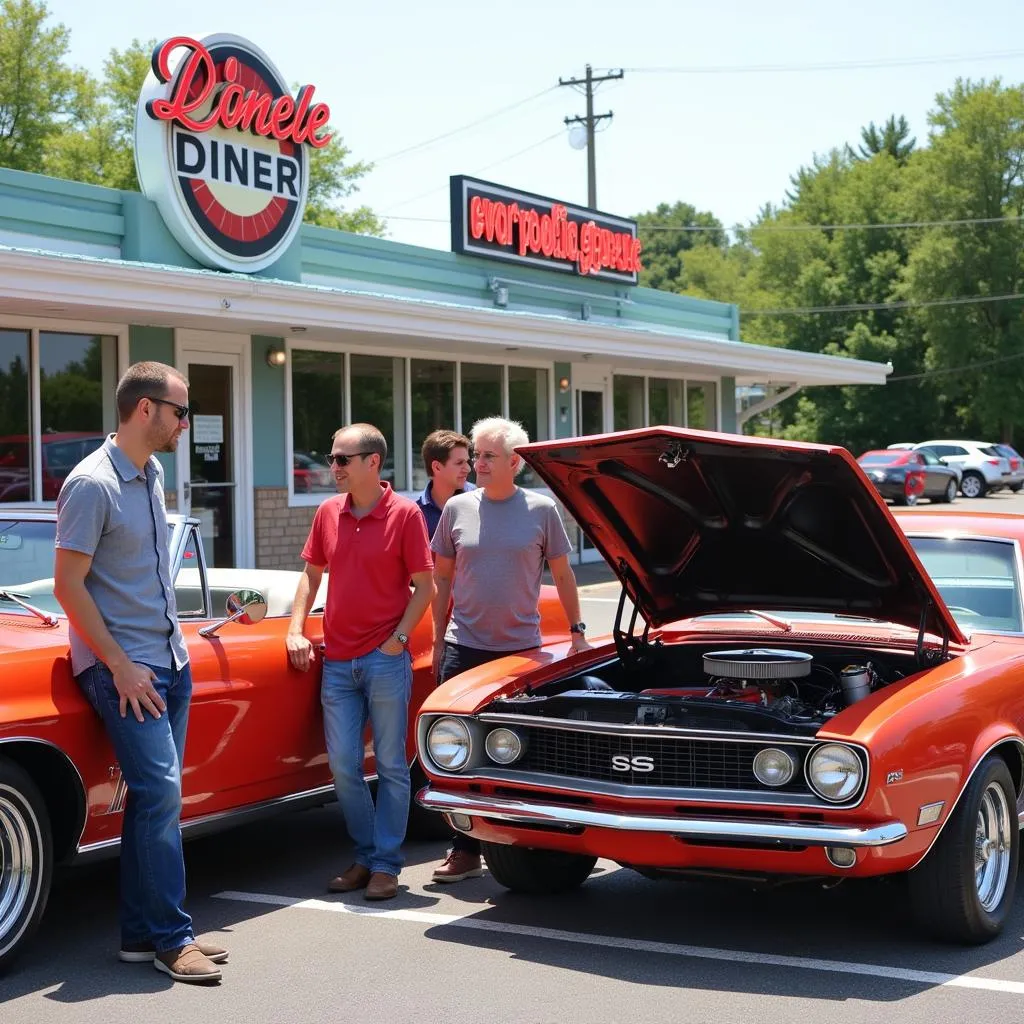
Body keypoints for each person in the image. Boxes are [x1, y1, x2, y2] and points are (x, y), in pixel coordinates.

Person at [53, 361, 226, 984]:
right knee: (161, 796)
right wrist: (120, 666)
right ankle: (172, 940)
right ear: (146, 409)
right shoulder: (92, 483)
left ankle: (139, 934)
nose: (188, 421)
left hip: (167, 661)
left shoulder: (150, 474)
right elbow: (67, 588)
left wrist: (171, 654)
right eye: (181, 410)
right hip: (124, 669)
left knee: (152, 803)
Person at [430, 416, 592, 883]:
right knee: (459, 750)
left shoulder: (541, 510)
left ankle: (519, 838)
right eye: (475, 455)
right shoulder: (458, 509)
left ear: (515, 462)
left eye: (486, 456)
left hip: (521, 654)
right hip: (465, 649)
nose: (476, 463)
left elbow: (563, 575)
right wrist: (439, 639)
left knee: (514, 751)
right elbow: (441, 579)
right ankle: (464, 848)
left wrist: (578, 631)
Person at [287, 423, 434, 901]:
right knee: (345, 767)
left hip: (385, 660)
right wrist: (295, 628)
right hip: (337, 662)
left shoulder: (406, 514)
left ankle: (386, 865)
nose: (333, 468)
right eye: (331, 458)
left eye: (341, 459)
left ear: (373, 462)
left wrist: (398, 639)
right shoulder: (328, 512)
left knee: (392, 765)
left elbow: (426, 586)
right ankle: (367, 855)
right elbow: (310, 577)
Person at [415, 429, 474, 538]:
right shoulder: (414, 511)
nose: (468, 469)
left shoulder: (479, 501)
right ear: (437, 467)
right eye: (459, 463)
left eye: (467, 462)